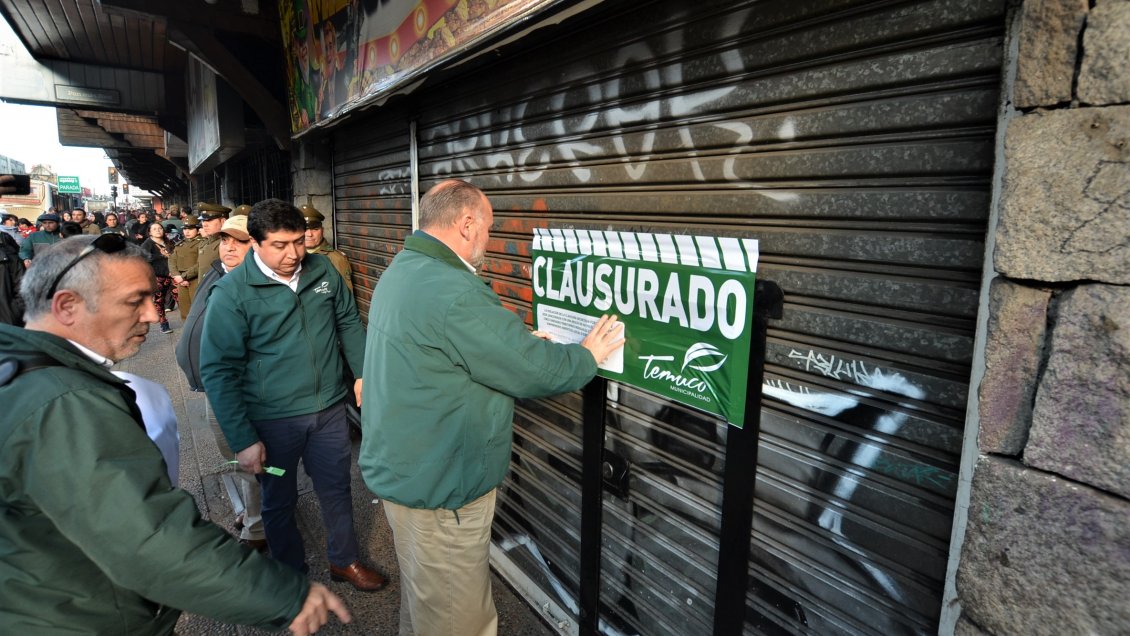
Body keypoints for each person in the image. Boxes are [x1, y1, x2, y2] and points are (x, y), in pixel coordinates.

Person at [0, 234, 351, 634]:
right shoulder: (64, 402)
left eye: (152, 298)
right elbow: (145, 537)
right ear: (67, 305)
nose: (153, 314)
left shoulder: (20, 364)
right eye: (136, 300)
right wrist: (284, 595)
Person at [359, 179, 625, 636]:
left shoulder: (405, 268)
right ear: (465, 224)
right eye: (488, 228)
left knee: (425, 610)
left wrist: (515, 345)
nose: (490, 239)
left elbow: (452, 348)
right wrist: (586, 355)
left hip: (409, 475)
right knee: (457, 622)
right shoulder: (452, 289)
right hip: (442, 493)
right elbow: (536, 372)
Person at [199, 199, 386, 591]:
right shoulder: (232, 294)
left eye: (299, 242)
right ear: (256, 242)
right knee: (278, 497)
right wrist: (243, 440)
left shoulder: (321, 271)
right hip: (273, 423)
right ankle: (290, 579)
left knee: (336, 486)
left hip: (329, 413)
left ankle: (344, 559)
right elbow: (218, 370)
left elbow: (348, 321)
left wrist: (364, 372)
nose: (293, 254)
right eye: (280, 245)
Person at [176, 214, 267, 549]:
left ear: (256, 246)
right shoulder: (216, 270)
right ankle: (254, 511)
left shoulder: (253, 282)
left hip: (234, 386)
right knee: (233, 454)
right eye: (226, 239)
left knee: (248, 455)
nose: (229, 246)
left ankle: (258, 527)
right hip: (213, 383)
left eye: (239, 241)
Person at [301, 203, 353, 292]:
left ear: (322, 231)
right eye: (305, 229)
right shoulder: (293, 256)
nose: (309, 234)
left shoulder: (336, 259)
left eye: (315, 229)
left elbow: (346, 297)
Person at [140, 222, 176, 334]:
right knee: (159, 301)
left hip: (173, 275)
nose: (158, 230)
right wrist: (162, 256)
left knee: (179, 296)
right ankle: (164, 324)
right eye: (154, 229)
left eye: (160, 228)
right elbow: (144, 257)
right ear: (150, 232)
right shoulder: (147, 244)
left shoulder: (168, 242)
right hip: (158, 276)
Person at [171, 214, 204, 320]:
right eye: (185, 229)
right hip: (181, 280)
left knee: (198, 310)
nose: (187, 232)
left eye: (190, 229)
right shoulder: (180, 244)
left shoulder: (202, 243)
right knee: (185, 311)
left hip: (195, 279)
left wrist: (184, 276)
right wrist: (176, 275)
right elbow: (172, 260)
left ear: (198, 230)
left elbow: (201, 264)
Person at [196, 201, 231, 278]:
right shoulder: (207, 241)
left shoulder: (228, 243)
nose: (204, 224)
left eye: (209, 220)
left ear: (223, 221)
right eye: (203, 220)